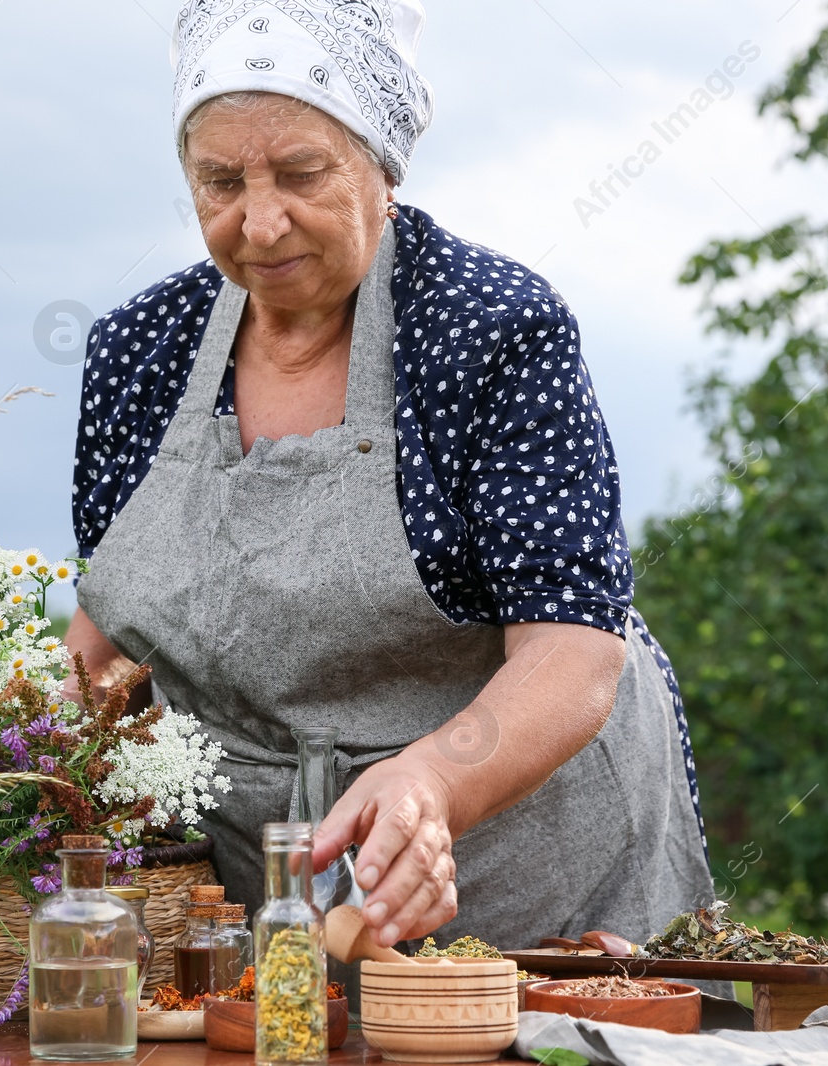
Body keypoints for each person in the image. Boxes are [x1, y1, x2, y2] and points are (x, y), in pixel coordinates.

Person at [66, 0, 714, 954]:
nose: (259, 220)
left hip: (529, 878)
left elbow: (574, 653)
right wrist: (1, 779)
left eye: (300, 173)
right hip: (275, 894)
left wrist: (430, 782)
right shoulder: (138, 351)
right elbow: (113, 637)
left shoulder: (488, 328)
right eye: (218, 182)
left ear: (381, 166)